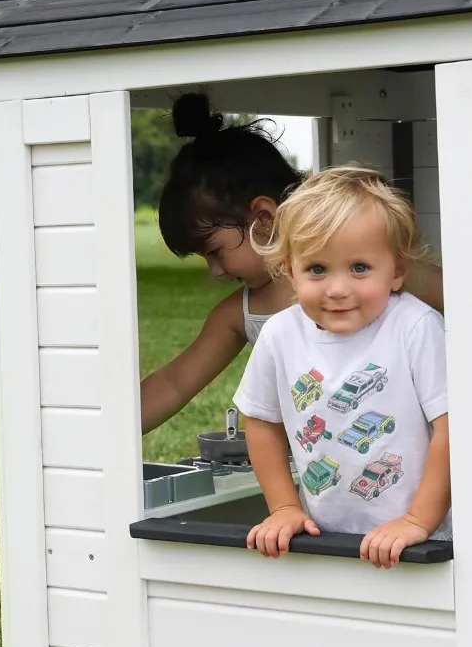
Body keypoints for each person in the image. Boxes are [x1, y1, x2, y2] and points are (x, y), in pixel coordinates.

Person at [140, 94, 444, 434]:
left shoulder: (371, 265)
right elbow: (174, 382)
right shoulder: (239, 315)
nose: (215, 271)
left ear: (264, 218)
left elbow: (468, 310)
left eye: (214, 252)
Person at [235, 166, 451, 569]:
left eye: (360, 268)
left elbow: (453, 428)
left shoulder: (416, 328)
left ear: (397, 270)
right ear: (289, 269)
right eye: (317, 269)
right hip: (325, 541)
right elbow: (261, 420)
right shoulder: (280, 334)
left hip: (422, 544)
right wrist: (284, 507)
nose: (337, 289)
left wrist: (417, 520)